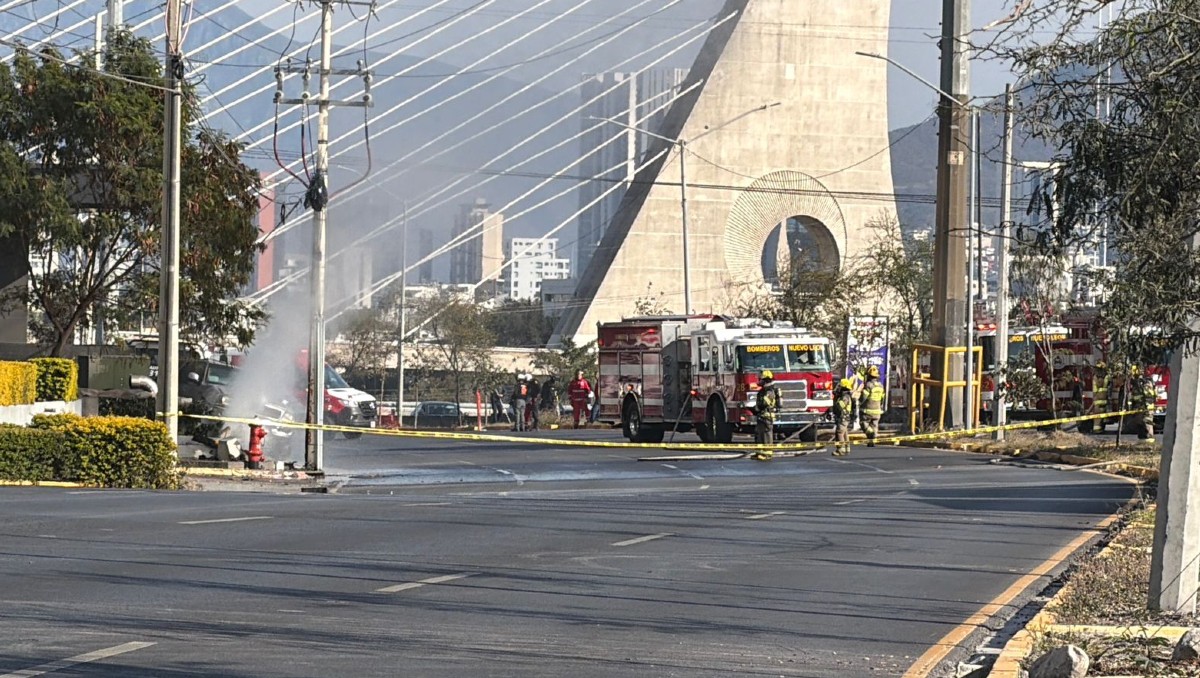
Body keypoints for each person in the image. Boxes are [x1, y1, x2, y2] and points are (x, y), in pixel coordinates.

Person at [752, 370, 781, 461]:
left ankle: (767, 454)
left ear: (766, 380)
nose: (759, 381)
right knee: (759, 434)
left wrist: (756, 408)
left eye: (761, 379)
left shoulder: (769, 391)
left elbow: (764, 403)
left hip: (767, 417)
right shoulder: (763, 391)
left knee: (766, 435)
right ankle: (759, 453)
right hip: (761, 416)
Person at [859, 365, 886, 447]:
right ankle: (871, 441)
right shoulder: (881, 386)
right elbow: (882, 398)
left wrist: (859, 402)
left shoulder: (868, 385)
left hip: (867, 410)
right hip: (877, 410)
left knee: (864, 424)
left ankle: (871, 434)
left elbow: (864, 397)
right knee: (874, 425)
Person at [1130, 367, 1157, 441]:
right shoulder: (1136, 383)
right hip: (1139, 408)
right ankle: (1142, 441)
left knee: (1146, 424)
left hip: (1146, 408)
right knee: (1140, 425)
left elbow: (1148, 396)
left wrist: (1145, 407)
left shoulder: (1145, 383)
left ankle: (1149, 442)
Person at [832, 378, 856, 457]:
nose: (838, 388)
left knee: (839, 433)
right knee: (845, 433)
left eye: (840, 386)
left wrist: (835, 399)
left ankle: (840, 450)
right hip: (845, 418)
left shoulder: (845, 397)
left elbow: (839, 406)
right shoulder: (846, 396)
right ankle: (847, 448)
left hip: (843, 418)